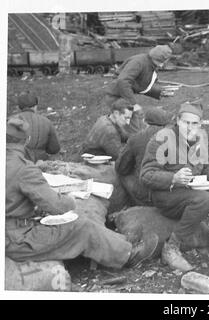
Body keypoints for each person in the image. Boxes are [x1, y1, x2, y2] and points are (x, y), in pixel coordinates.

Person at [5, 117, 159, 269]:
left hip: (13, 231)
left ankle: (123, 242)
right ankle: (130, 256)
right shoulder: (24, 169)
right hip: (17, 238)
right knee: (82, 227)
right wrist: (69, 199)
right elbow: (57, 206)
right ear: (27, 140)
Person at [140, 102, 209, 272]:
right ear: (178, 121)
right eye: (186, 122)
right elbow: (146, 175)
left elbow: (205, 165)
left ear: (200, 124)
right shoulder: (162, 139)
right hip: (166, 194)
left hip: (190, 189)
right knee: (204, 199)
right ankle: (171, 248)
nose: (190, 127)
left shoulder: (199, 138)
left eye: (194, 123)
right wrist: (173, 177)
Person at [115, 108, 170, 206]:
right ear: (166, 124)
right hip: (171, 191)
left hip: (147, 192)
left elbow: (121, 168)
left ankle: (135, 204)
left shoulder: (136, 138)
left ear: (144, 121)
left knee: (123, 175)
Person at [103, 45, 173, 113]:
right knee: (128, 121)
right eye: (166, 60)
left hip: (123, 96)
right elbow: (123, 81)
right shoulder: (138, 62)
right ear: (161, 59)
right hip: (117, 96)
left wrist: (157, 92)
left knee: (135, 120)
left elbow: (139, 84)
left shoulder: (151, 64)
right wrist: (133, 104)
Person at [15, 91, 60, 162]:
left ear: (18, 107)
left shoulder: (9, 121)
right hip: (40, 165)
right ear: (35, 106)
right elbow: (54, 149)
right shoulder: (47, 122)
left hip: (17, 163)